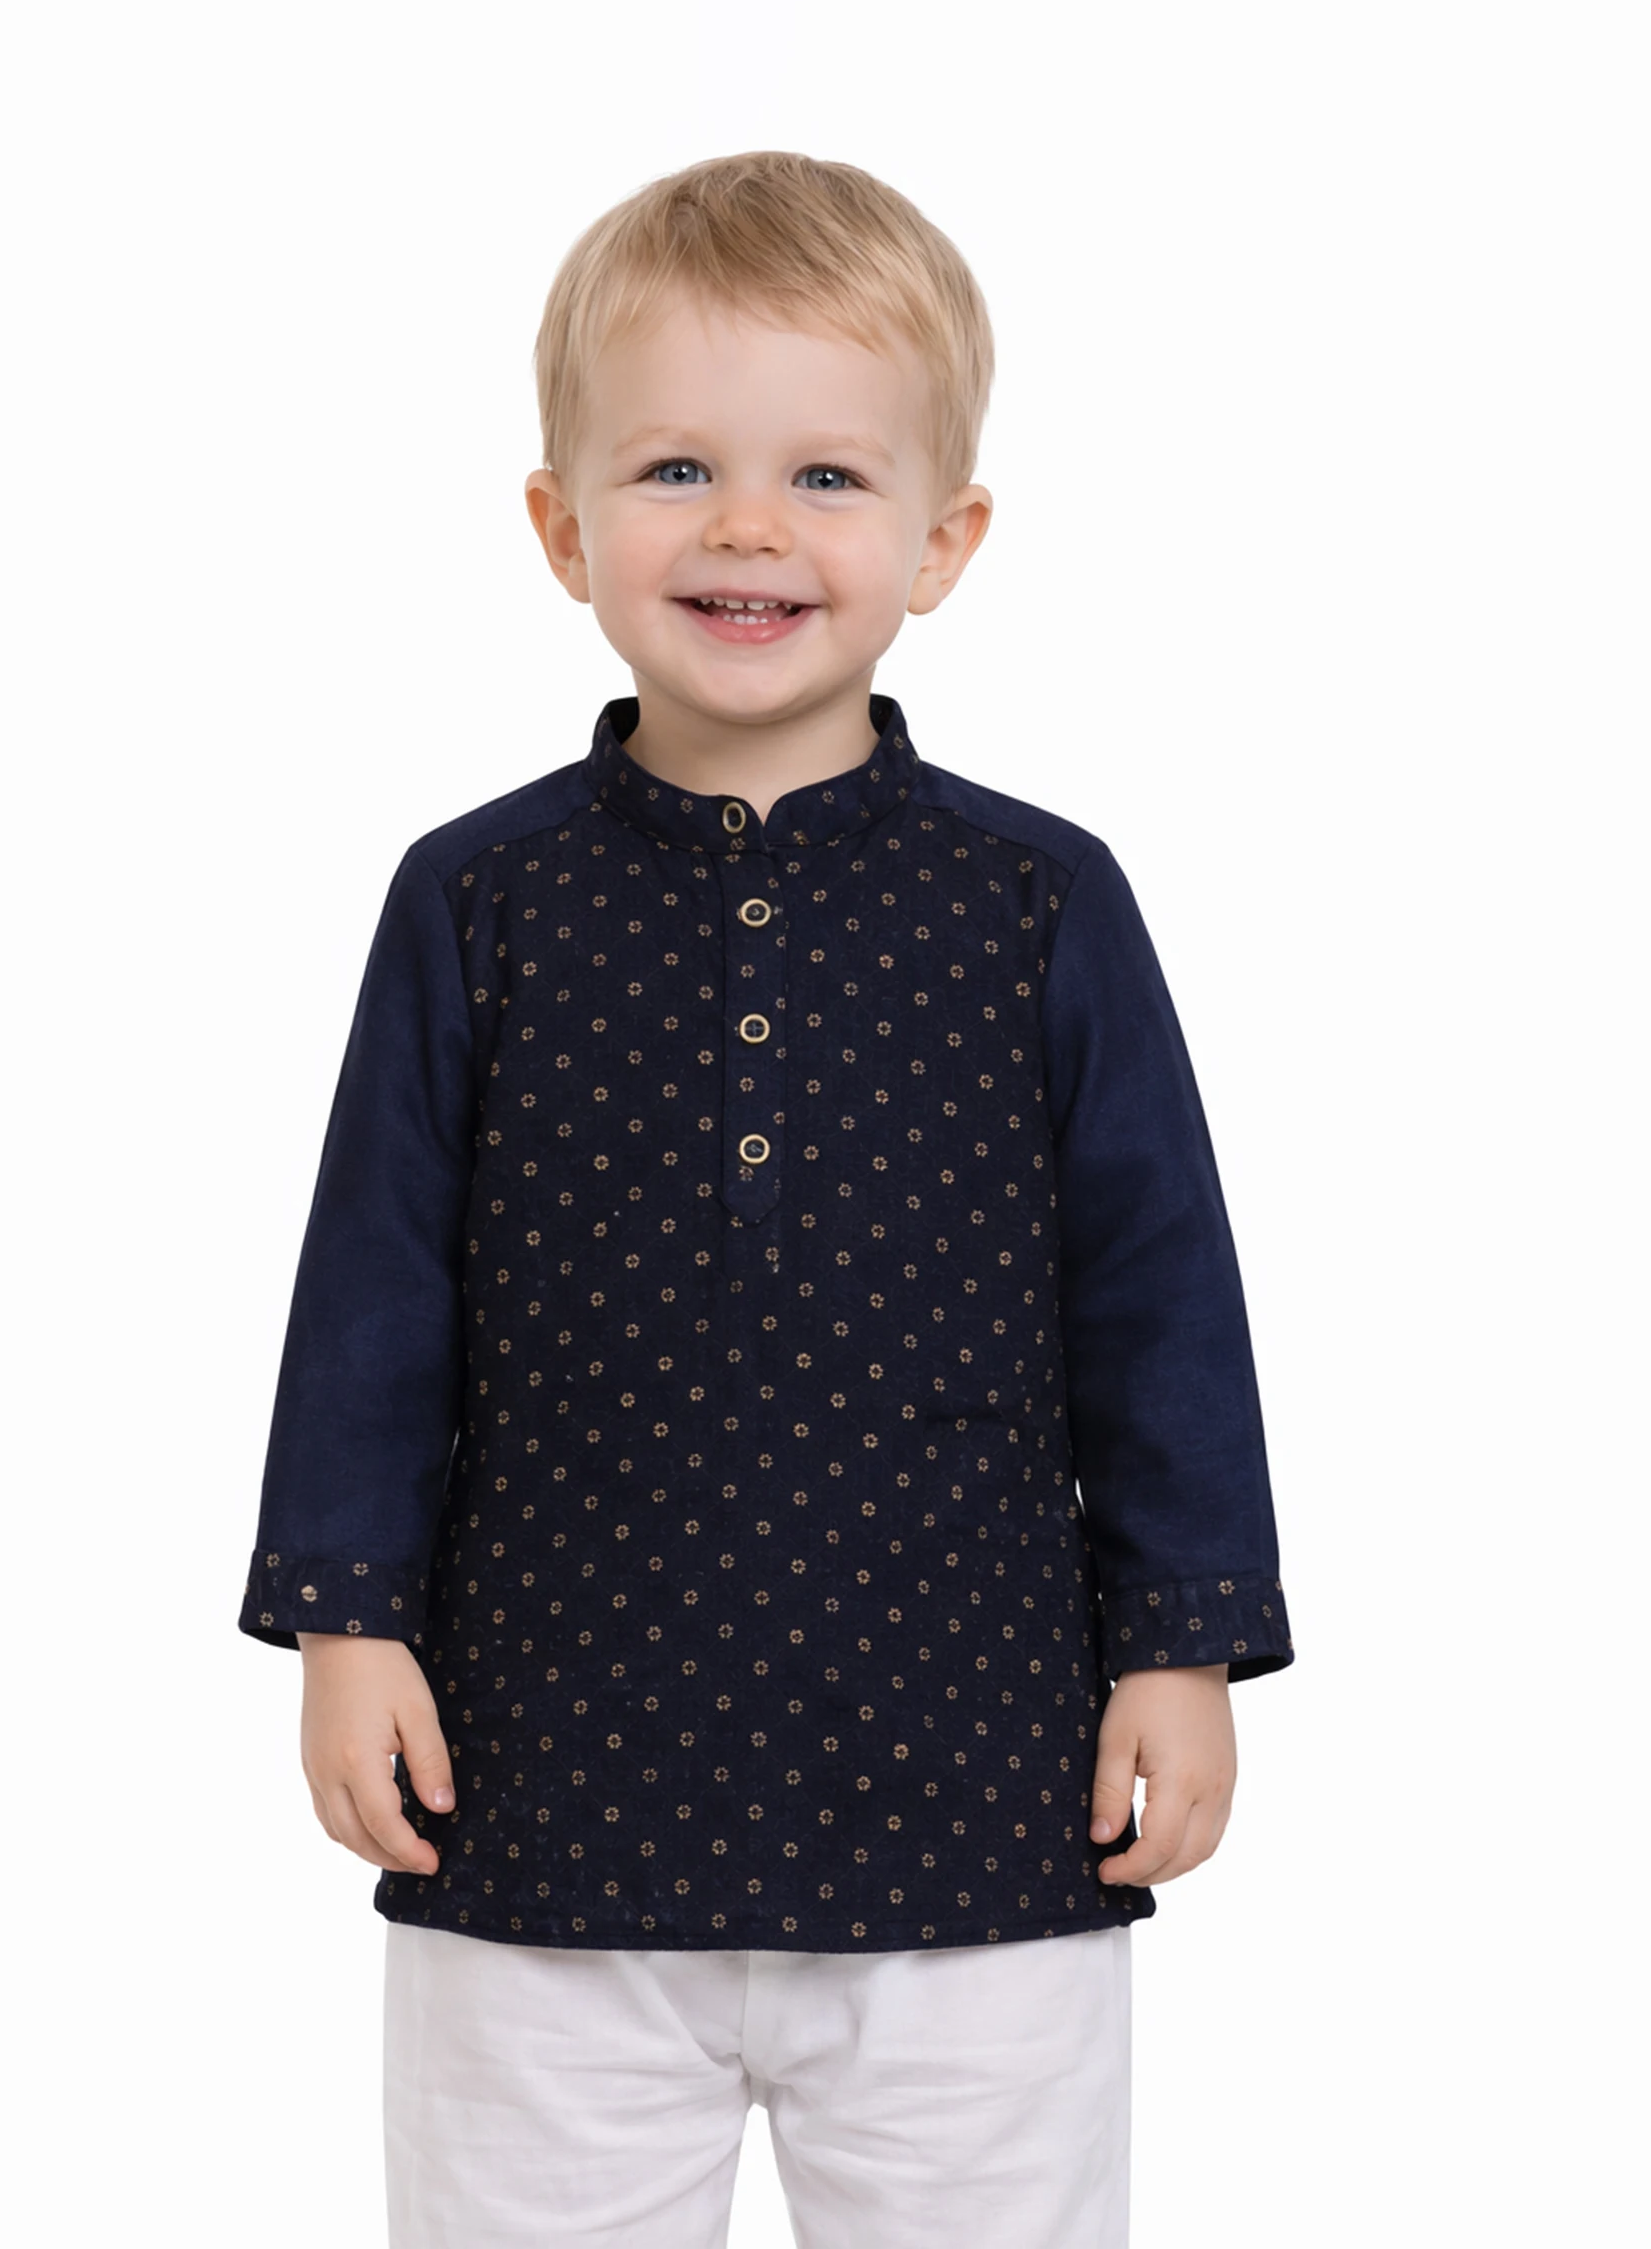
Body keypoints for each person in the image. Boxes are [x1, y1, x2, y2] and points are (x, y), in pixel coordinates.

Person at [237, 149, 1295, 2249]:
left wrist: (1182, 1649)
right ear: (560, 528)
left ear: (944, 538)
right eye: (674, 470)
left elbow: (1157, 1293)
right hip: (541, 1801)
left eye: (825, 475)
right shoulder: (476, 899)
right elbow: (373, 1287)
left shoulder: (1037, 900)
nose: (745, 528)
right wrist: (345, 1622)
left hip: (975, 1802)